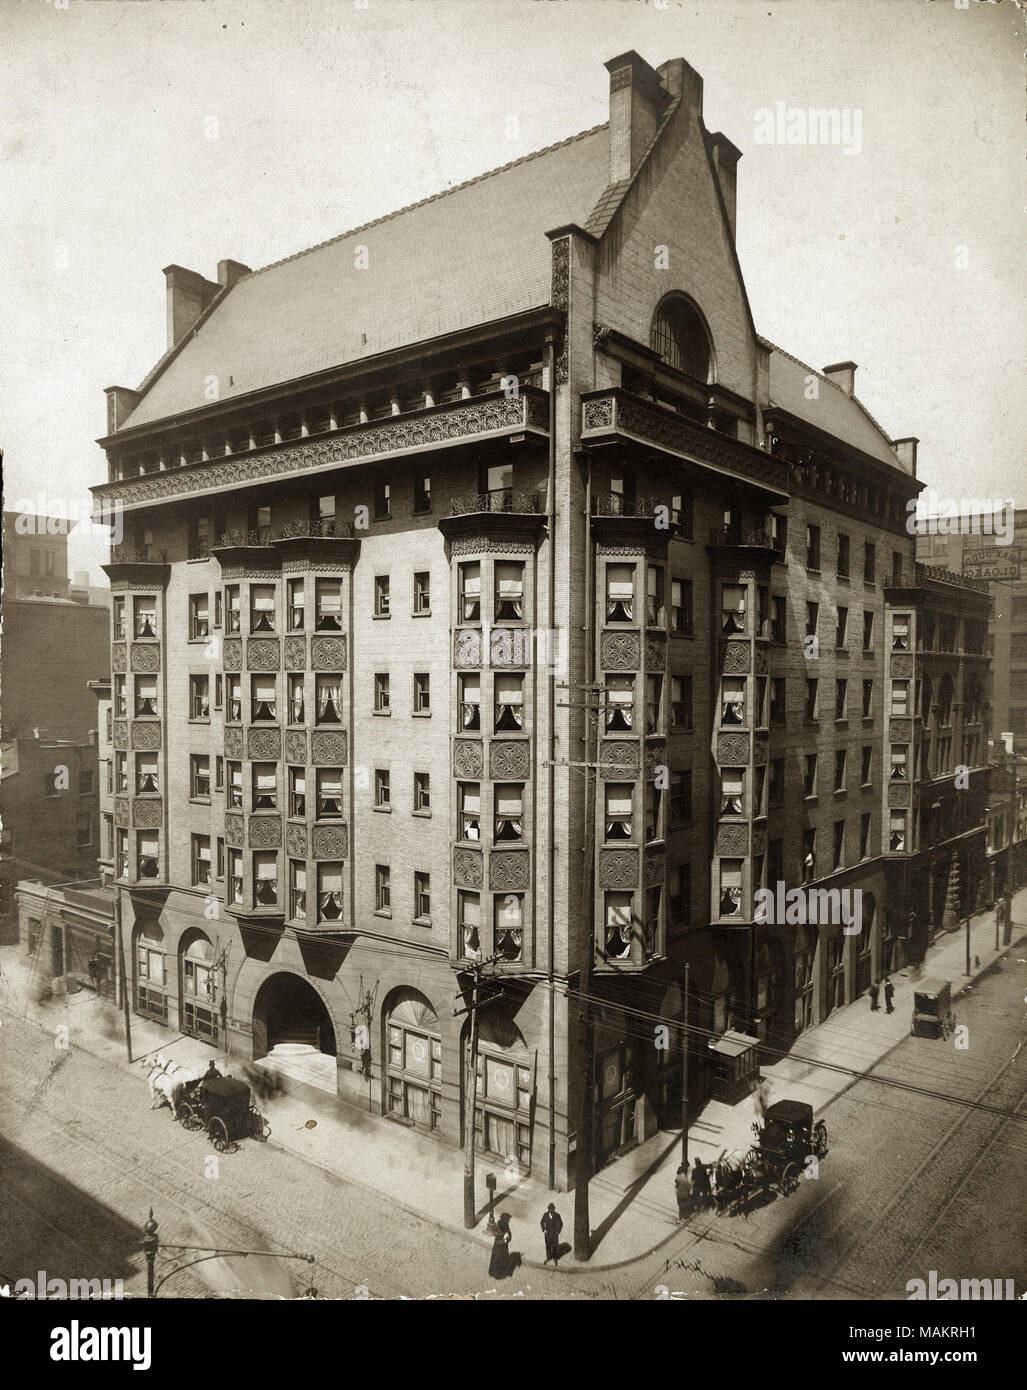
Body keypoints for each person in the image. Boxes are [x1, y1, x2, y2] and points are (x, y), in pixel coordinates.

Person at [489, 1213, 514, 1280]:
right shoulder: (499, 1224)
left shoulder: (506, 1224)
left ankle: (501, 1272)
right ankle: (496, 1273)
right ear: (504, 1219)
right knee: (498, 1259)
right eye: (508, 1219)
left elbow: (509, 1232)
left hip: (503, 1244)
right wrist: (504, 1235)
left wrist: (508, 1238)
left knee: (503, 1258)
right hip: (499, 1244)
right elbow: (496, 1233)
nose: (509, 1220)